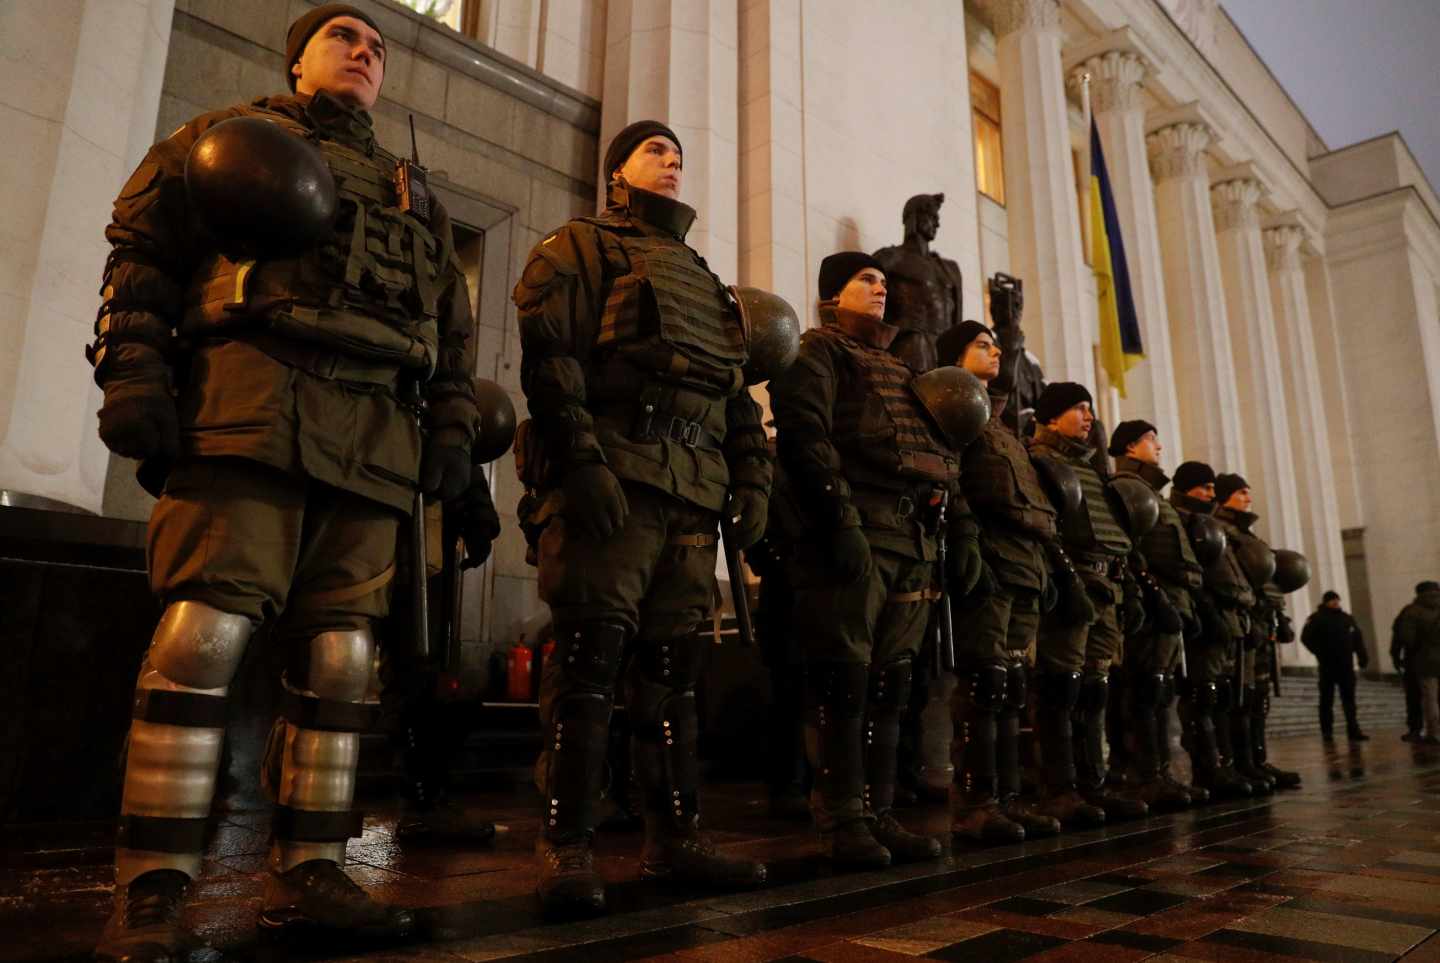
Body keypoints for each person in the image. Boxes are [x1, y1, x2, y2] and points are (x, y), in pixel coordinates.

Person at [89, 6, 487, 958]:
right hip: (253, 401)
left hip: (376, 432)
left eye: (378, 45)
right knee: (205, 633)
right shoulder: (227, 142)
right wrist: (138, 374)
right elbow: (140, 256)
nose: (366, 51)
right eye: (345, 36)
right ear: (297, 56)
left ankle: (313, 865)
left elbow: (453, 336)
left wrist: (454, 436)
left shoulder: (413, 195)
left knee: (343, 660)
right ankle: (152, 888)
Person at [514, 120, 772, 918]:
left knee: (675, 675)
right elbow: (550, 363)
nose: (673, 163)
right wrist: (583, 460)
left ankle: (675, 835)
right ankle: (567, 840)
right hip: (616, 478)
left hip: (692, 492)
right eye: (656, 151)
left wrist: (754, 476)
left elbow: (733, 394)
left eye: (680, 156)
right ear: (616, 170)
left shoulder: (706, 281)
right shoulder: (575, 248)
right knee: (589, 664)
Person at [770, 252, 977, 869]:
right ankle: (842, 817)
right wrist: (838, 521)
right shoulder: (815, 351)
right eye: (867, 279)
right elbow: (805, 438)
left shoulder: (904, 369)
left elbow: (940, 453)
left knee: (891, 685)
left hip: (911, 541)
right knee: (847, 681)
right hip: (856, 534)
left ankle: (880, 811)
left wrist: (957, 531)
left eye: (884, 281)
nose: (881, 288)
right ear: (833, 295)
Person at [1027, 384, 1149, 825]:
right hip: (1071, 583)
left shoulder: (1093, 472)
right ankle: (1059, 789)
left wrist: (1130, 589)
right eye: (1079, 408)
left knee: (1095, 688)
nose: (1088, 417)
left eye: (1090, 409)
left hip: (1106, 587)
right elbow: (1042, 528)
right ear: (1052, 415)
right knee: (1061, 688)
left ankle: (1092, 785)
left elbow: (1119, 538)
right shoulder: (1039, 461)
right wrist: (1065, 581)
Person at [1107, 422, 1204, 811]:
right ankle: (1142, 776)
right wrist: (1152, 595)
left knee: (1160, 688)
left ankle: (1161, 773)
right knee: (1142, 690)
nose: (1159, 446)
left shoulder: (1152, 493)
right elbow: (1129, 549)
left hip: (1168, 603)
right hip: (1147, 604)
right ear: (1131, 446)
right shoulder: (1127, 487)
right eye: (1151, 439)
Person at [1167, 462, 1256, 799]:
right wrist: (1206, 613)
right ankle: (1208, 769)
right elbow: (1193, 573)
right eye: (1204, 488)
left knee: (1223, 696)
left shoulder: (1207, 523)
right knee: (1202, 696)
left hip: (1225, 619)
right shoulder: (1187, 520)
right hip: (1203, 620)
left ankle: (1228, 764)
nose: (1209, 494)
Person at [1212, 474, 1299, 790]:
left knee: (1257, 695)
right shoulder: (1220, 530)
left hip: (1262, 624)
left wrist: (1280, 616)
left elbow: (1268, 580)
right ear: (1224, 498)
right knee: (1238, 694)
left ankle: (1257, 760)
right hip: (1242, 624)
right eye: (1240, 492)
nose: (1248, 496)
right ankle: (1237, 762)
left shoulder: (1248, 535)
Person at [872, 193, 964, 373]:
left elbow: (957, 322)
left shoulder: (949, 269)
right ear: (914, 217)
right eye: (931, 217)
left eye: (937, 219)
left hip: (944, 356)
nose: (937, 224)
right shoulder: (891, 258)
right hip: (907, 348)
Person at [1301, 592, 1370, 743]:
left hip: (1346, 666)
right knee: (1326, 700)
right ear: (1326, 602)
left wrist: (1362, 657)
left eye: (1337, 600)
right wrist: (1319, 652)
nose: (1335, 603)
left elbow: (1357, 639)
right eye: (1332, 600)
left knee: (1349, 701)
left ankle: (1353, 730)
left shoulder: (1347, 619)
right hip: (1327, 666)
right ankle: (1327, 732)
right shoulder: (1317, 618)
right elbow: (1306, 638)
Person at [1392, 581, 1440, 745]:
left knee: (1427, 698)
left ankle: (1431, 732)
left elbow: (1404, 638)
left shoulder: (1411, 611)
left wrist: (1396, 656)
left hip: (1421, 660)